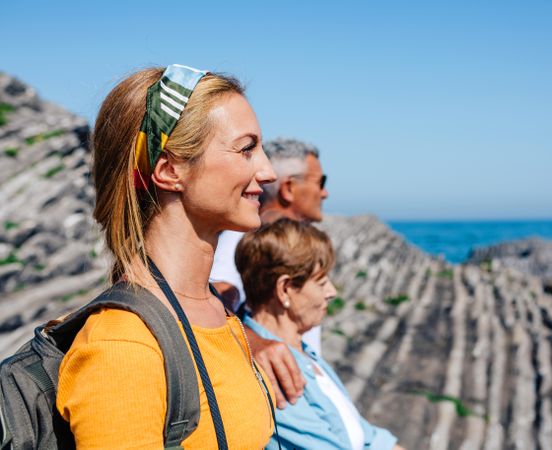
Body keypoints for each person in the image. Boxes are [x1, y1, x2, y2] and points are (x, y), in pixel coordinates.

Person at [56, 64, 278, 448]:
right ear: (170, 170)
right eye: (247, 149)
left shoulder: (215, 313)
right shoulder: (124, 347)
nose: (269, 170)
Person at [236, 219, 405, 450]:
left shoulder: (304, 354)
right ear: (285, 289)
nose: (332, 292)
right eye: (322, 282)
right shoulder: (274, 371)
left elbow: (368, 437)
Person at [210, 138, 328, 408]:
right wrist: (253, 342)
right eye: (320, 183)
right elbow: (214, 294)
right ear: (288, 188)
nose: (324, 193)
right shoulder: (249, 238)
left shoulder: (268, 236)